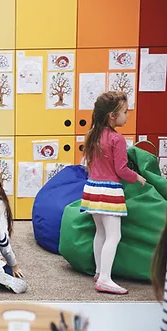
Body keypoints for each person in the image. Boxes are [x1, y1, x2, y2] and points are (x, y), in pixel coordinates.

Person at [80, 91, 146, 295]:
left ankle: (100, 271)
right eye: (125, 112)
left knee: (100, 232)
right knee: (114, 235)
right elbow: (121, 170)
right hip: (109, 192)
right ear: (112, 116)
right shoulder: (117, 139)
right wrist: (138, 178)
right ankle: (105, 279)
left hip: (92, 189)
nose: (127, 116)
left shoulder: (93, 134)